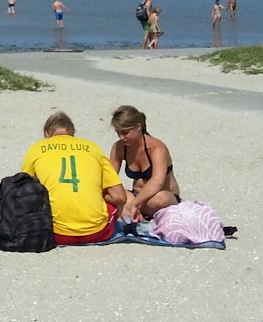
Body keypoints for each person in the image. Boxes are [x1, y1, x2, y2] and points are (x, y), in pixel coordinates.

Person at [21, 111, 130, 245]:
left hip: (53, 233)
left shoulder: (36, 149)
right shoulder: (92, 148)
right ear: (73, 133)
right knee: (113, 203)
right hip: (97, 233)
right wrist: (98, 194)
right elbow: (121, 197)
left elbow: (25, 190)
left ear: (46, 133)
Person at [108, 105, 181, 218]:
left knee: (160, 200)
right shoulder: (119, 147)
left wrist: (135, 204)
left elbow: (157, 181)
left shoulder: (157, 148)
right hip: (135, 196)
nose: (122, 138)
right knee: (112, 196)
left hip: (161, 196)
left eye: (125, 132)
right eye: (119, 133)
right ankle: (137, 214)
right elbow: (109, 178)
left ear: (138, 127)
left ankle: (132, 213)